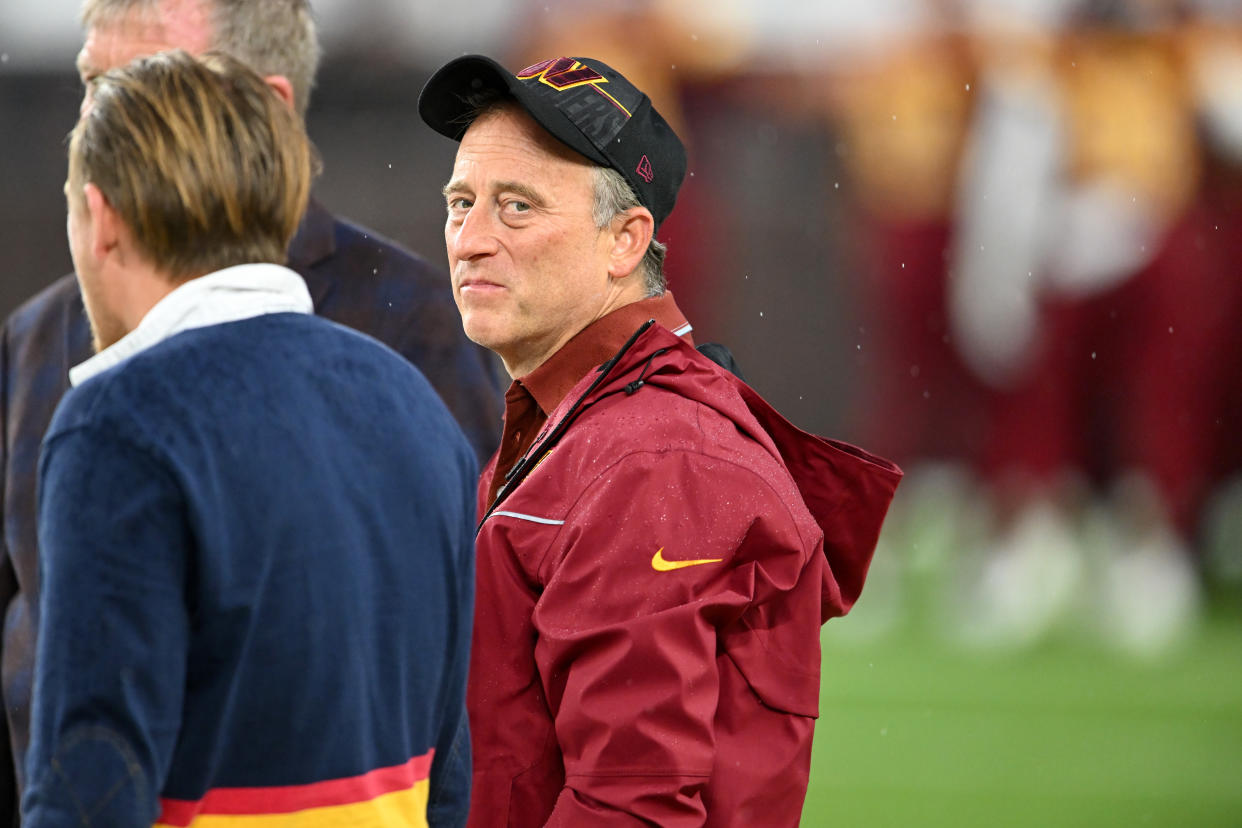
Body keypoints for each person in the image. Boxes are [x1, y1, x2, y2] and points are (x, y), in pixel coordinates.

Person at [0, 0, 503, 813]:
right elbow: (448, 762)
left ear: (98, 217)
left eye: (142, 86)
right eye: (93, 84)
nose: (104, 113)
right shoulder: (407, 401)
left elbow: (94, 773)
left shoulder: (117, 423)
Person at [418, 54, 903, 826]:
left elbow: (631, 808)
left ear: (624, 241)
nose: (469, 239)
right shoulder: (589, 419)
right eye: (460, 202)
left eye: (516, 207)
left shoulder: (653, 460)